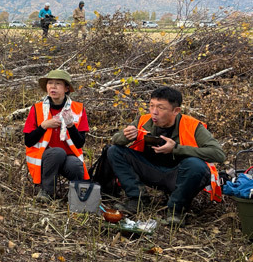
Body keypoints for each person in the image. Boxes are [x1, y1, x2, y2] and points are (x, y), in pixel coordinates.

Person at [107, 86, 224, 225]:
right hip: (150, 170)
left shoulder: (192, 125)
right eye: (151, 106)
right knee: (114, 151)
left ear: (176, 111)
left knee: (196, 165)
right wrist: (125, 136)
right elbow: (115, 140)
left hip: (177, 176)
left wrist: (176, 149)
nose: (154, 112)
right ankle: (138, 200)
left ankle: (176, 209)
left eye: (161, 108)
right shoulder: (144, 121)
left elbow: (218, 154)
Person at [24, 70, 89, 202]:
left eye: (58, 84)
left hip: (68, 157)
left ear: (66, 89)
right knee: (57, 153)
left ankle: (78, 199)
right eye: (50, 83)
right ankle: (45, 192)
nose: (53, 87)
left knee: (76, 164)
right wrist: (44, 126)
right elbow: (28, 141)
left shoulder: (78, 108)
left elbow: (79, 143)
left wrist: (70, 126)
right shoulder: (37, 108)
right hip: (44, 158)